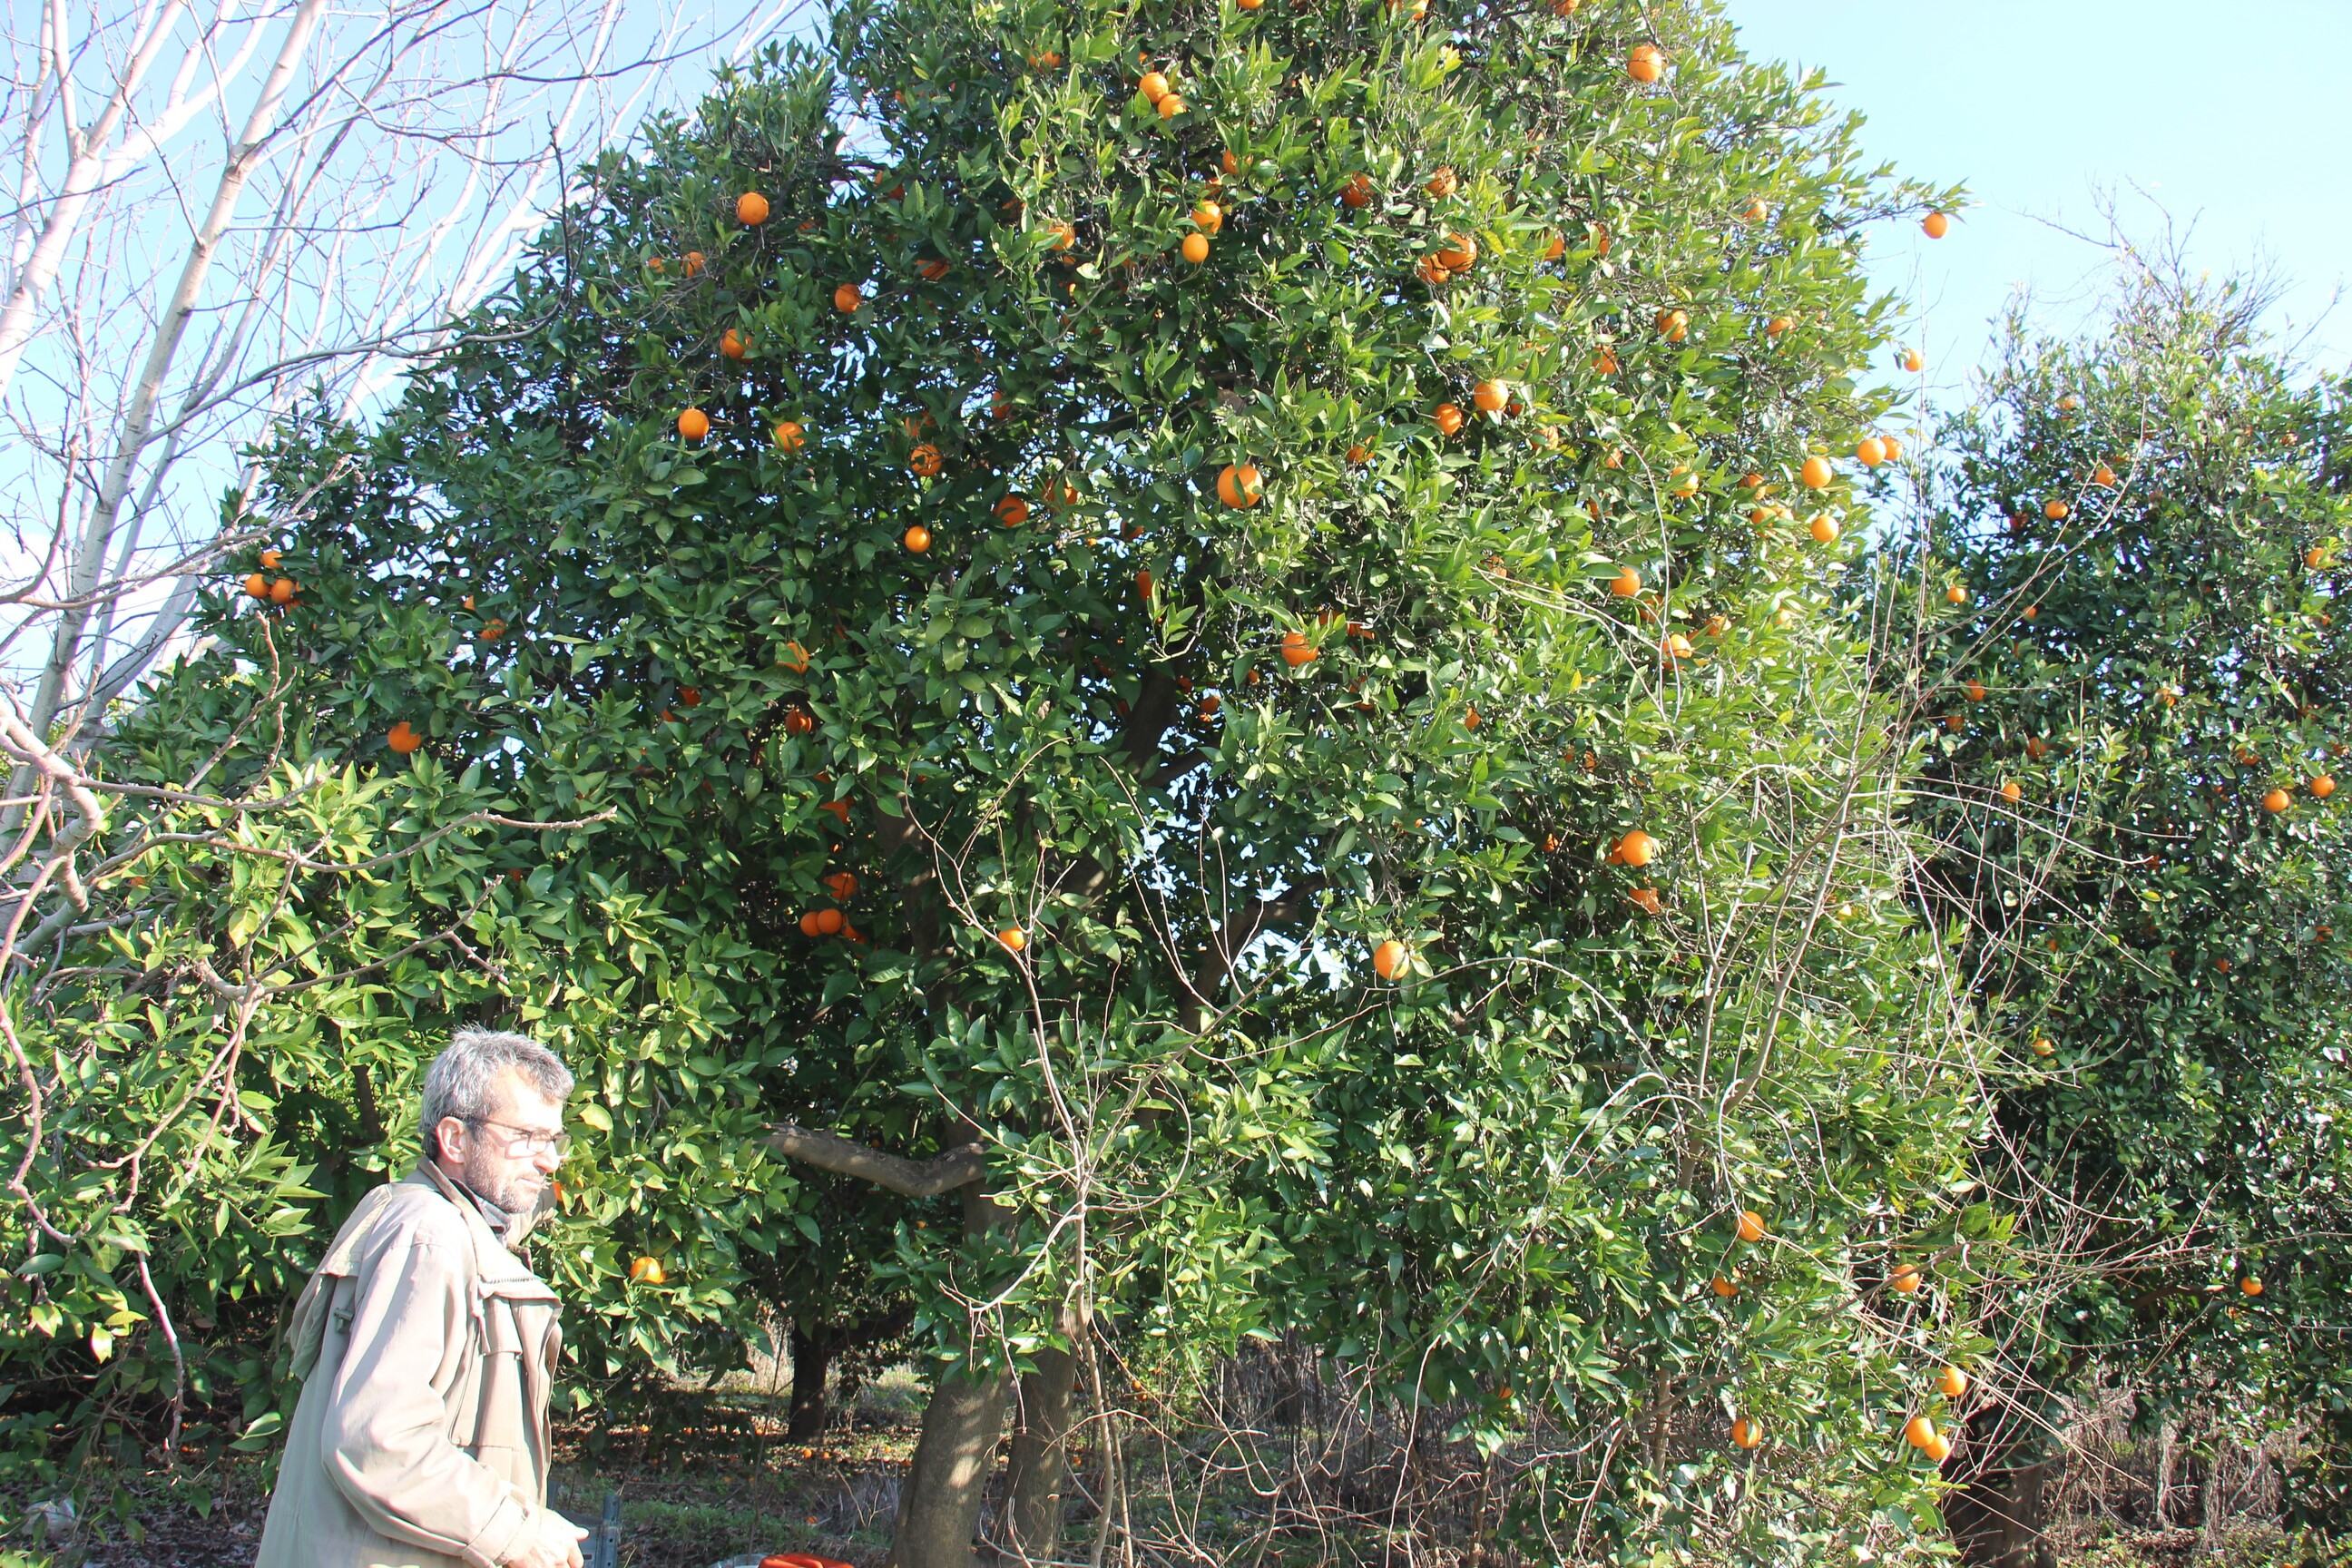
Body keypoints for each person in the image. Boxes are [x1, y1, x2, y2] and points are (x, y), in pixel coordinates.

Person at [257, 1027, 590, 1568]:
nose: (549, 1160)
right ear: (454, 1140)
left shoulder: (450, 1223)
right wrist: (515, 1532)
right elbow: (381, 1440)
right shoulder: (429, 1236)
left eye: (553, 1139)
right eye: (527, 1136)